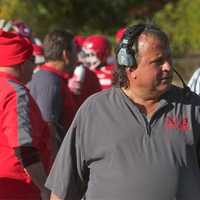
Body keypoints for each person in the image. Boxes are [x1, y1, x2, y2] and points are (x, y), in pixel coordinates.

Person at [45, 23, 200, 200]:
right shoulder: (94, 111)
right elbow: (63, 189)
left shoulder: (193, 108)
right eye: (158, 61)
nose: (168, 66)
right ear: (130, 66)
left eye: (169, 58)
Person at [0, 29, 52, 199]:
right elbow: (23, 148)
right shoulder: (15, 93)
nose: (35, 66)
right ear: (20, 62)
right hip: (19, 189)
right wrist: (44, 188)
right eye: (32, 60)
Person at [28, 30, 78, 150]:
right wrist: (56, 166)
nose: (77, 58)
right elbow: (48, 128)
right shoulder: (50, 82)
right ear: (66, 55)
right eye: (76, 52)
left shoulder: (50, 78)